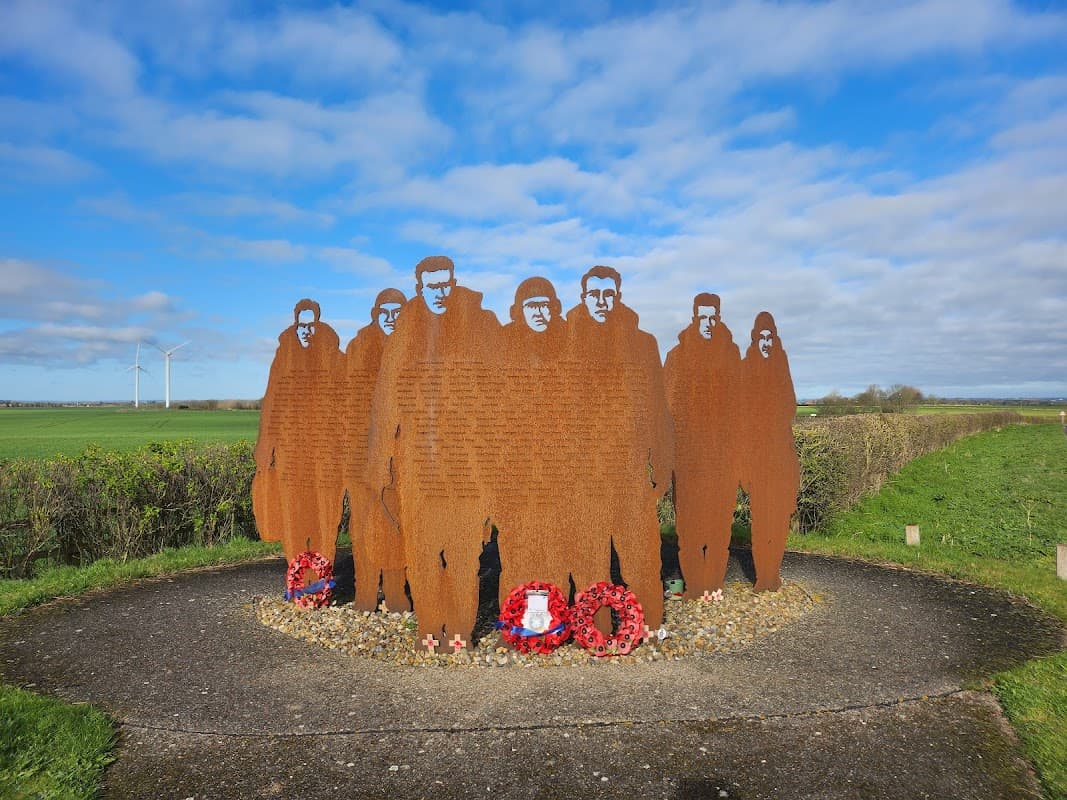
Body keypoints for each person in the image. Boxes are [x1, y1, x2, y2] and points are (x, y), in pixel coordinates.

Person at [366, 256, 502, 647]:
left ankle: (459, 629)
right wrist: (380, 463)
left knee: (463, 556)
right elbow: (386, 401)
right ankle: (429, 627)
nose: (440, 293)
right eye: (431, 286)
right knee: (424, 553)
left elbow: (496, 395)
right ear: (418, 287)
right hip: (418, 465)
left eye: (446, 285)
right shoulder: (405, 332)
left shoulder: (479, 324)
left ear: (454, 282)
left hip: (465, 464)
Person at [562, 266, 672, 629]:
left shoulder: (643, 344)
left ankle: (648, 623)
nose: (601, 301)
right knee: (588, 555)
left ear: (618, 296)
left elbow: (656, 408)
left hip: (629, 470)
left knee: (640, 555)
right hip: (584, 472)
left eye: (608, 294)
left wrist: (663, 462)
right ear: (583, 297)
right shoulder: (565, 339)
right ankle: (598, 628)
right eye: (594, 294)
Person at [491, 277, 574, 609]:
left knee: (556, 542)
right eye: (531, 306)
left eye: (544, 305)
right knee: (515, 544)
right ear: (518, 311)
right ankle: (515, 617)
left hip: (558, 465)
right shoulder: (503, 349)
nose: (539, 312)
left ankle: (553, 617)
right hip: (517, 466)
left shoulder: (568, 345)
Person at [252, 299, 346, 567]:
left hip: (327, 453)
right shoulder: (282, 362)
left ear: (319, 324)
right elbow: (272, 405)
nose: (306, 331)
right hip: (291, 453)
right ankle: (297, 579)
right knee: (293, 515)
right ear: (295, 325)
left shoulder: (336, 360)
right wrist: (265, 448)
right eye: (301, 325)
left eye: (311, 325)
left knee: (326, 515)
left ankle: (320, 579)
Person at [663, 293, 743, 596]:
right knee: (690, 525)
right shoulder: (677, 356)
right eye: (703, 317)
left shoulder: (731, 354)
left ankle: (713, 583)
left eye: (714, 317)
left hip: (723, 454)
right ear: (694, 317)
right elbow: (665, 404)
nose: (708, 323)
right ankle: (696, 584)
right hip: (688, 455)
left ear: (719, 317)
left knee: (720, 523)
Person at [343, 288, 407, 611]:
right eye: (386, 311)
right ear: (375, 313)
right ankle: (365, 592)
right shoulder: (359, 347)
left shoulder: (412, 346)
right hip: (360, 454)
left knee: (396, 524)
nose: (392, 318)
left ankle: (396, 594)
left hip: (400, 457)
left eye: (398, 311)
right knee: (363, 524)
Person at [740, 311, 799, 591]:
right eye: (761, 337)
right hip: (757, 457)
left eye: (770, 337)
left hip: (781, 456)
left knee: (779, 518)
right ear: (754, 339)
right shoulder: (746, 368)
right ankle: (763, 574)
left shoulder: (781, 365)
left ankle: (773, 572)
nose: (766, 342)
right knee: (762, 519)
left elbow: (790, 406)